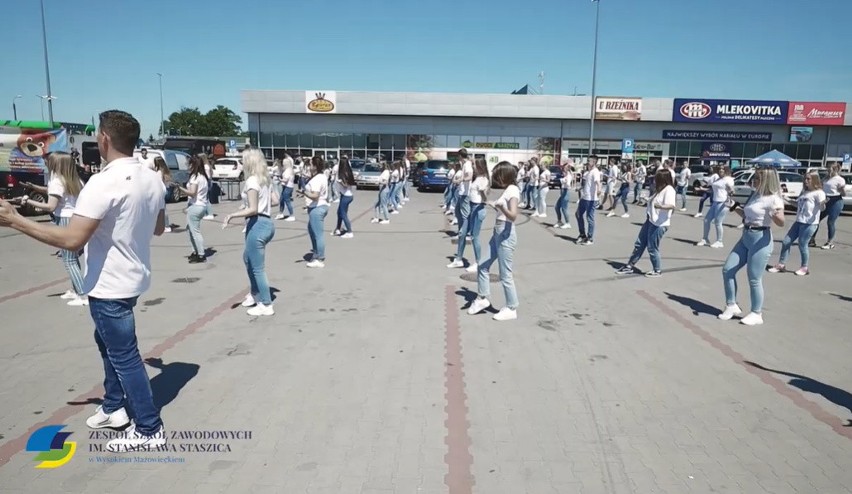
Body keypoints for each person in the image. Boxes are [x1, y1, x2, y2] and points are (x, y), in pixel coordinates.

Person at [0, 110, 167, 452]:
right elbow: (159, 228)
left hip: (110, 285)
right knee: (107, 343)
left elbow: (72, 240)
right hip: (132, 279)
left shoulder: (103, 182)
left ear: (104, 139)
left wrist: (15, 221)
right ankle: (113, 407)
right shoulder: (153, 178)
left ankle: (149, 428)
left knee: (124, 355)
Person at [18, 152, 88, 305]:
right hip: (75, 218)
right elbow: (53, 193)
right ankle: (76, 289)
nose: (46, 163)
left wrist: (28, 200)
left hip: (64, 219)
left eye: (49, 161)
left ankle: (82, 294)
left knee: (68, 259)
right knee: (72, 258)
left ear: (56, 164)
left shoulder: (57, 180)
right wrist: (34, 187)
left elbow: (50, 205)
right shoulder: (75, 180)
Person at [718, 169, 785, 326]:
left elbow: (781, 222)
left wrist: (776, 216)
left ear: (767, 180)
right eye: (753, 177)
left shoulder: (774, 199)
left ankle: (756, 313)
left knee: (754, 278)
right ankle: (731, 305)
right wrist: (734, 206)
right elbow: (748, 216)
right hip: (746, 236)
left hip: (761, 239)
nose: (753, 180)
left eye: (757, 178)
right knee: (728, 269)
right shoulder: (755, 195)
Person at [223, 150, 276, 316]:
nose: (240, 163)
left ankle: (266, 304)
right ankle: (255, 294)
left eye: (242, 160)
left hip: (258, 224)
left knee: (257, 268)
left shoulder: (253, 180)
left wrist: (232, 215)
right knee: (248, 259)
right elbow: (275, 201)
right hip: (265, 222)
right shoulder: (265, 179)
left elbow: (253, 209)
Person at [467, 161, 520, 321]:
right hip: (498, 232)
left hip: (506, 233)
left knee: (505, 274)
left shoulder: (513, 190)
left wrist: (502, 207)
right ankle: (482, 298)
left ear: (505, 175)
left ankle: (511, 307)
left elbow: (513, 215)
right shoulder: (508, 189)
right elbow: (503, 209)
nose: (496, 178)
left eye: (498, 175)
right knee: (483, 265)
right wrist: (493, 205)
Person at [615, 169, 675, 277]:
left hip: (659, 224)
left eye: (657, 178)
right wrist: (646, 199)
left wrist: (660, 206)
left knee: (652, 247)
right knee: (639, 243)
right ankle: (630, 266)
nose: (654, 181)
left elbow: (671, 205)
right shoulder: (660, 190)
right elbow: (654, 201)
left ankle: (657, 270)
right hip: (650, 220)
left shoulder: (669, 190)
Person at [769, 172, 825, 276]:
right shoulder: (804, 192)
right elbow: (797, 204)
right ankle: (781, 264)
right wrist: (786, 198)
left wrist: (822, 204)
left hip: (810, 224)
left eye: (808, 179)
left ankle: (804, 267)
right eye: (805, 179)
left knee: (802, 244)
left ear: (815, 180)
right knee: (786, 242)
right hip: (799, 221)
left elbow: (822, 207)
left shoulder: (819, 193)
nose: (806, 181)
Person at [448, 159, 489, 272]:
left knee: (475, 237)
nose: (473, 167)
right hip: (471, 206)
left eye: (475, 165)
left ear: (480, 167)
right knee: (462, 233)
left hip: (477, 207)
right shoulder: (477, 178)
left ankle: (478, 262)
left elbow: (485, 197)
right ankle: (459, 259)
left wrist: (483, 193)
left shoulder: (483, 179)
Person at [177, 156, 209, 263]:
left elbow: (192, 192)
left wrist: (180, 188)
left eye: (190, 164)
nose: (188, 166)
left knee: (195, 231)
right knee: (190, 229)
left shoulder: (195, 177)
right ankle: (196, 251)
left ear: (194, 165)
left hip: (196, 206)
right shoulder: (203, 177)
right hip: (202, 205)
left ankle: (200, 254)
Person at [810, 163, 845, 250]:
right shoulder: (826, 178)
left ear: (835, 170)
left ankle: (830, 242)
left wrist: (841, 190)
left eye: (830, 169)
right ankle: (812, 240)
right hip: (825, 200)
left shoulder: (840, 179)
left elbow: (843, 193)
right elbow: (820, 187)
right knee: (816, 219)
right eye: (827, 169)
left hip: (836, 201)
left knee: (830, 222)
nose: (828, 171)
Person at [697, 165, 734, 248]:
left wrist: (730, 192)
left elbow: (731, 190)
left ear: (726, 171)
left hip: (722, 203)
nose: (721, 170)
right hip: (715, 202)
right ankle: (705, 238)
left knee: (718, 222)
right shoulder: (717, 179)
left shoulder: (728, 180)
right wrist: (702, 189)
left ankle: (719, 241)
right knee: (706, 220)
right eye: (720, 169)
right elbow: (712, 190)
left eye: (723, 169)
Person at [304, 156, 329, 268]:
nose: (309, 167)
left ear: (314, 166)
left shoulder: (317, 179)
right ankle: (316, 253)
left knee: (318, 234)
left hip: (317, 207)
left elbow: (315, 195)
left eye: (310, 164)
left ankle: (320, 258)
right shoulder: (321, 176)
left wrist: (304, 192)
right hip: (319, 206)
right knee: (312, 230)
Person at [576, 156, 601, 246]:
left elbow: (598, 182)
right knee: (578, 214)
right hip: (584, 197)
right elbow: (588, 184)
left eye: (589, 161)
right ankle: (582, 234)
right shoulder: (589, 172)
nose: (587, 162)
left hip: (591, 199)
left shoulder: (595, 172)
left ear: (594, 162)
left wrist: (599, 191)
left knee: (589, 218)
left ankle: (590, 238)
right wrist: (581, 188)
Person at [333, 157, 356, 238]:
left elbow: (346, 185)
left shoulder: (345, 173)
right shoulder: (346, 172)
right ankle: (337, 229)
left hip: (347, 196)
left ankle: (349, 232)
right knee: (339, 212)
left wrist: (340, 182)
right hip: (344, 195)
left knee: (343, 214)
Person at [152, 157, 173, 232]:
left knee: (160, 209)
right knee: (163, 208)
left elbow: (158, 182)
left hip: (161, 191)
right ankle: (165, 225)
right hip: (166, 190)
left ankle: (165, 225)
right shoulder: (166, 171)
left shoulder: (159, 172)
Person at [455, 149, 473, 235]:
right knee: (457, 211)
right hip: (462, 192)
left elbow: (469, 176)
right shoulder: (464, 164)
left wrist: (461, 180)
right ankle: (462, 229)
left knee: (464, 214)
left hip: (465, 193)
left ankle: (466, 232)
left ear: (460, 156)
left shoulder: (467, 164)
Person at [554, 160, 574, 229]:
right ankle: (559, 221)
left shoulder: (568, 175)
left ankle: (568, 223)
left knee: (564, 208)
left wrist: (567, 183)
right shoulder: (565, 175)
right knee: (557, 207)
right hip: (562, 192)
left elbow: (568, 183)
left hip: (566, 192)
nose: (563, 168)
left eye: (565, 167)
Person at [199, 154, 215, 219]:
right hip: (208, 181)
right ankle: (206, 213)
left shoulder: (205, 167)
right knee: (206, 198)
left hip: (207, 182)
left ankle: (209, 214)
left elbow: (207, 176)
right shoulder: (207, 166)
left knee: (206, 199)